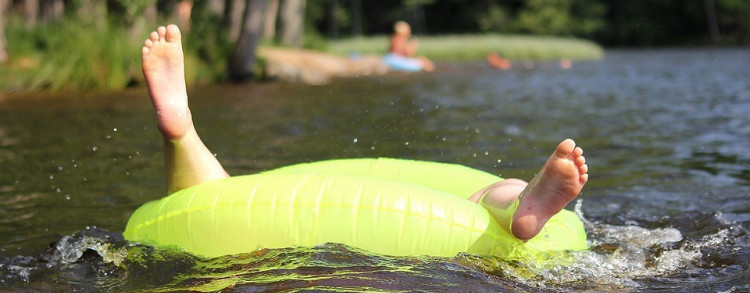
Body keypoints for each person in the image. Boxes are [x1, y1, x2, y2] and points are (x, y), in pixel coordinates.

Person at [141, 25, 587, 243]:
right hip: (475, 235)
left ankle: (181, 133)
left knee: (216, 198)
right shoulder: (400, 47)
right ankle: (521, 203)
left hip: (219, 232)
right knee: (489, 190)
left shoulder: (398, 43)